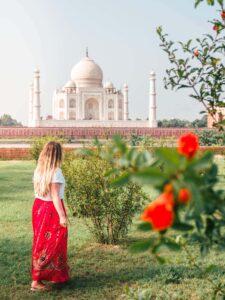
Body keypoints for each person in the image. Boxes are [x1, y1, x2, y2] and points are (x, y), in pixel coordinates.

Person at [31, 141, 70, 291]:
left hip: (39, 207)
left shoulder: (39, 170)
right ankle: (37, 281)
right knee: (54, 243)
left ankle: (54, 275)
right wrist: (62, 216)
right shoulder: (56, 172)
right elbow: (54, 196)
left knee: (41, 242)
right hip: (51, 209)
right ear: (58, 154)